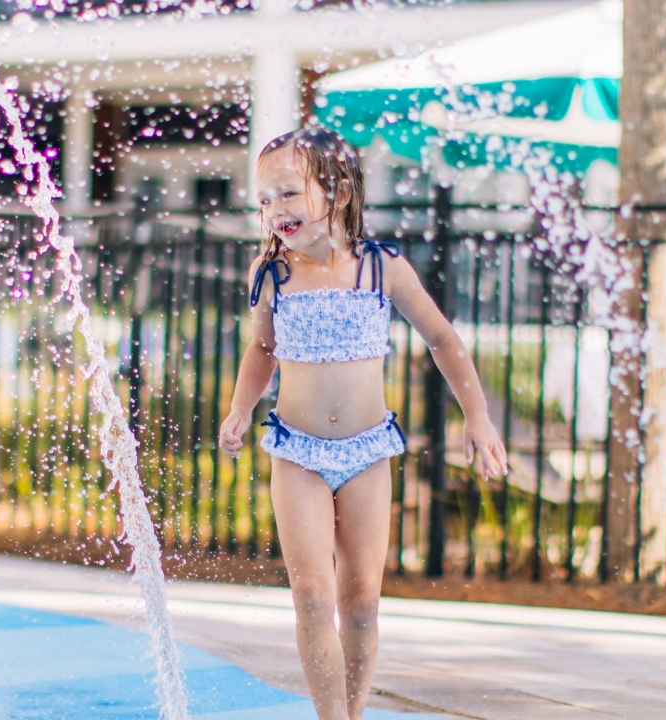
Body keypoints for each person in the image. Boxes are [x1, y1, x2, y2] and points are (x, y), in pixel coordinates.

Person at [217, 127, 509, 720]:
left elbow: (442, 338)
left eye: (288, 193)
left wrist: (476, 415)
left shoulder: (382, 269)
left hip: (367, 452)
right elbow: (263, 348)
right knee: (311, 596)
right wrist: (241, 407)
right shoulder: (271, 273)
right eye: (265, 198)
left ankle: (352, 712)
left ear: (340, 191)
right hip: (297, 452)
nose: (274, 209)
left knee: (360, 605)